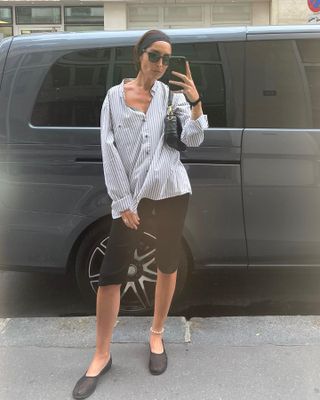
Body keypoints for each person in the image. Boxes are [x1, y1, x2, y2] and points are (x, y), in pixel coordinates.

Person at [72, 29, 208, 399]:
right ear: (140, 55)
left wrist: (196, 103)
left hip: (170, 193)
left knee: (167, 264)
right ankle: (101, 354)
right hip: (131, 201)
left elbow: (193, 139)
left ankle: (157, 335)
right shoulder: (115, 98)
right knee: (112, 274)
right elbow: (109, 149)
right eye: (155, 56)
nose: (161, 65)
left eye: (167, 59)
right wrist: (123, 203)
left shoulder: (171, 97)